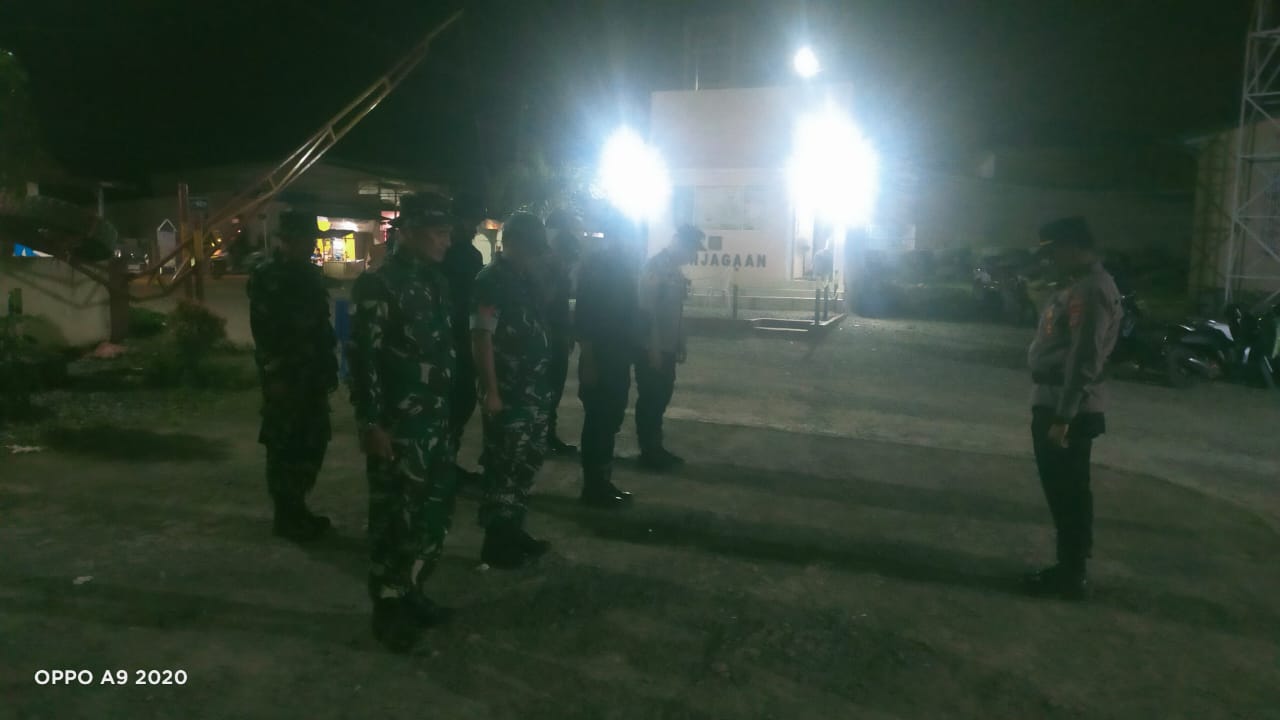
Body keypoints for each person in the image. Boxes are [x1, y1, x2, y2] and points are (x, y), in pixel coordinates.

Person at [348, 193, 459, 652]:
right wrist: (371, 423)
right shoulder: (379, 286)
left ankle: (412, 589)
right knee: (394, 517)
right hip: (398, 427)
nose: (447, 241)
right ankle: (388, 607)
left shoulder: (435, 282)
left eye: (448, 233)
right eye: (438, 233)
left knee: (431, 515)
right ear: (410, 233)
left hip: (434, 423)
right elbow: (363, 359)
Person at [1024, 216, 1122, 601]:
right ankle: (1069, 568)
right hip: (1055, 402)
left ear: (1071, 247)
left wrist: (1063, 417)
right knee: (1063, 492)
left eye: (1053, 252)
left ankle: (1072, 574)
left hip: (1067, 410)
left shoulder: (1091, 289)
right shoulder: (1074, 286)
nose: (1049, 260)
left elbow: (1084, 358)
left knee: (1069, 494)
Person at [246, 211, 338, 543]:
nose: (309, 245)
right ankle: (287, 515)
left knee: (312, 440)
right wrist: (275, 373)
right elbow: (267, 332)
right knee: (285, 444)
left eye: (311, 240)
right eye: (303, 239)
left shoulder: (308, 274)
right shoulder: (268, 275)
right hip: (285, 375)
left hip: (312, 374)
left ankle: (298, 507)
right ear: (286, 240)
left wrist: (327, 367)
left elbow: (319, 327)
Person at [471, 212, 555, 568]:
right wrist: (491, 390)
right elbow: (481, 336)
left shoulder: (526, 279)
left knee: (526, 463)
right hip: (507, 391)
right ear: (513, 243)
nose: (535, 256)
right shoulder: (491, 280)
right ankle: (496, 543)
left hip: (533, 392)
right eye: (531, 249)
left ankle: (514, 529)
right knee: (503, 466)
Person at [574, 216, 639, 508]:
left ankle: (602, 481)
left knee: (610, 421)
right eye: (627, 237)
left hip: (617, 358)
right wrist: (589, 360)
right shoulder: (597, 268)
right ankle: (593, 488)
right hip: (600, 358)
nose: (631, 243)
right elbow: (585, 318)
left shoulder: (623, 268)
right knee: (598, 423)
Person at [633, 224, 704, 471]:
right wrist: (653, 348)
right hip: (652, 347)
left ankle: (656, 446)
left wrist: (680, 340)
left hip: (668, 346)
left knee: (662, 396)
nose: (693, 256)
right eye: (692, 250)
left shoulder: (674, 271)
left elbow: (677, 309)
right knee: (651, 398)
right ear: (679, 243)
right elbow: (647, 311)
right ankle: (648, 452)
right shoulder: (655, 268)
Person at [441, 191, 487, 485]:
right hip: (445, 340)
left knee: (462, 402)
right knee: (452, 404)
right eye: (469, 222)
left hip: (463, 339)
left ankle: (447, 462)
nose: (473, 229)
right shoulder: (444, 254)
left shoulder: (470, 256)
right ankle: (442, 466)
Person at [542, 208, 583, 455]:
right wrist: (558, 271)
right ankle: (541, 436)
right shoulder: (542, 261)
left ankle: (549, 434)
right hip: (544, 336)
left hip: (558, 334)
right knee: (545, 388)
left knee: (555, 388)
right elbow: (545, 300)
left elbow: (562, 303)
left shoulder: (562, 254)